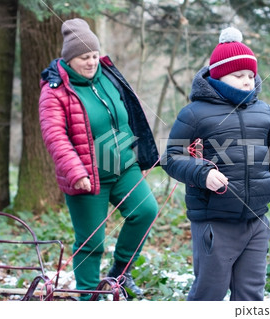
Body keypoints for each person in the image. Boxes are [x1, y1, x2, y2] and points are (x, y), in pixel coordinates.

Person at [161, 27, 270, 301]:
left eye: (251, 75)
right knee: (210, 293)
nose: (246, 81)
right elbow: (170, 156)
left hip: (256, 222)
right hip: (213, 224)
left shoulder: (264, 113)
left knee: (251, 294)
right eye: (238, 75)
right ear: (218, 76)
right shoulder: (195, 114)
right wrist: (202, 174)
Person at [39, 18, 159, 300]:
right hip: (86, 176)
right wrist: (74, 171)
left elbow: (129, 115)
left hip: (123, 168)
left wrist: (139, 155)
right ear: (69, 59)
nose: (91, 62)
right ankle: (89, 298)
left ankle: (120, 275)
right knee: (91, 242)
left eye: (94, 55)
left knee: (145, 212)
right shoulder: (55, 91)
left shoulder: (107, 75)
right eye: (84, 57)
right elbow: (54, 136)